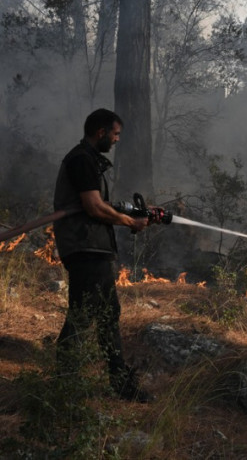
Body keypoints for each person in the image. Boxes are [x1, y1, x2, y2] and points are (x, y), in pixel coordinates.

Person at [53, 108, 151, 402]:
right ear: (101, 133)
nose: (117, 139)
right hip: (86, 250)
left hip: (92, 249)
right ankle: (65, 387)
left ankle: (119, 383)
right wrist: (129, 222)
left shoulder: (87, 160)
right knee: (83, 316)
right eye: (116, 134)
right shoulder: (81, 160)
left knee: (108, 314)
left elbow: (99, 205)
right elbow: (94, 207)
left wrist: (126, 214)